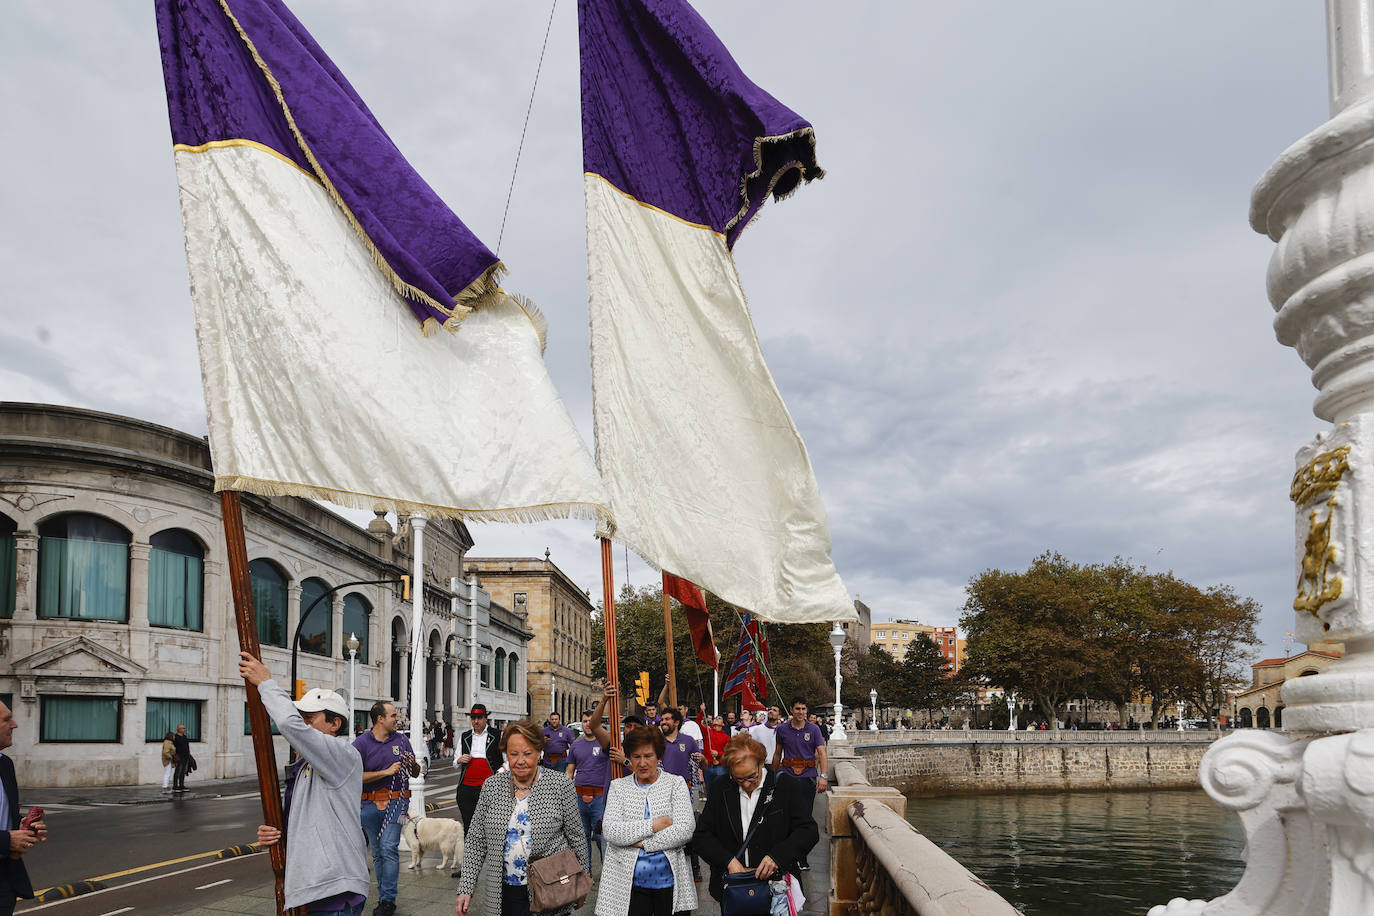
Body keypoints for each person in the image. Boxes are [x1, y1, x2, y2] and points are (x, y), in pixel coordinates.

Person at [239, 652, 369, 916]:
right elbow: (310, 820)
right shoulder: (306, 768)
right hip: (314, 889)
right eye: (302, 716)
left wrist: (266, 682)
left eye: (310, 718)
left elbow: (288, 724)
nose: (303, 723)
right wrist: (276, 832)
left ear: (335, 724)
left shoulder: (343, 754)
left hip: (335, 890)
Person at [456, 720, 588, 916]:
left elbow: (576, 837)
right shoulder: (492, 786)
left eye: (527, 754)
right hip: (503, 891)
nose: (520, 761)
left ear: (539, 752)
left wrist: (581, 882)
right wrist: (466, 888)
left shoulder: (560, 785)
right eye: (513, 754)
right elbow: (476, 840)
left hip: (551, 887)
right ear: (506, 754)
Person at [692, 733, 818, 910]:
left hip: (776, 887)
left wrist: (777, 857)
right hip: (734, 889)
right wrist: (728, 861)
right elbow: (702, 836)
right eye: (738, 778)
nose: (745, 784)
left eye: (752, 776)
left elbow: (808, 831)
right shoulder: (722, 787)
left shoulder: (784, 786)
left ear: (761, 763)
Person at [596, 725, 697, 916]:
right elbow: (611, 831)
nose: (642, 763)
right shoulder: (618, 787)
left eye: (648, 756)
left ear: (658, 756)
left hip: (671, 881)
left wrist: (642, 843)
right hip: (628, 884)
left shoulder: (675, 784)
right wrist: (655, 824)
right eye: (636, 756)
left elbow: (685, 829)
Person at [354, 700, 421, 916]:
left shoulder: (402, 740)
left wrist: (412, 764)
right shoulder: (361, 744)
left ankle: (388, 900)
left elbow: (416, 773)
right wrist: (385, 772)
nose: (397, 719)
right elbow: (354, 776)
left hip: (398, 805)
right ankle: (384, 896)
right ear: (380, 719)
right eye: (393, 715)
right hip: (368, 805)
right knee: (377, 851)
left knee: (389, 847)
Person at [1, 700, 45, 916]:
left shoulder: (5, 765)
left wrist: (25, 827)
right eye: (6, 719)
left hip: (5, 879)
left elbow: (6, 819)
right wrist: (8, 840)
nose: (15, 724)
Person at [567, 687, 615, 868]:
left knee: (603, 838)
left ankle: (608, 873)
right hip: (580, 797)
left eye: (590, 721)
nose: (588, 724)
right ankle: (585, 873)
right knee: (581, 838)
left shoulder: (604, 742)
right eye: (585, 721)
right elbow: (569, 772)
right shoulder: (576, 745)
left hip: (599, 798)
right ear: (581, 723)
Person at [658, 708, 703, 881]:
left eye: (667, 719)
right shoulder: (657, 741)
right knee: (666, 828)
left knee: (689, 828)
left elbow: (701, 763)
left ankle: (694, 865)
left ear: (676, 722)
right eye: (662, 719)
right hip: (662, 791)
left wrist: (703, 760)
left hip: (686, 791)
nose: (663, 722)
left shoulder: (688, 741)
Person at [455, 704, 504, 833]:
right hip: (466, 787)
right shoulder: (465, 736)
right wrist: (460, 759)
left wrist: (499, 772)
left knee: (489, 824)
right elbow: (455, 761)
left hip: (489, 787)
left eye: (479, 717)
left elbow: (508, 760)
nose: (476, 721)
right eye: (473, 718)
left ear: (485, 719)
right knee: (468, 824)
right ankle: (470, 851)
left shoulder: (497, 735)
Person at [700, 716, 729, 793]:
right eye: (715, 718)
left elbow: (728, 753)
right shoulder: (708, 732)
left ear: (723, 724)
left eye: (719, 718)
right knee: (709, 791)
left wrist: (718, 753)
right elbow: (699, 724)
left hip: (721, 767)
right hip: (708, 766)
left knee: (720, 791)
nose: (716, 719)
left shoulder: (726, 737)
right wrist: (701, 712)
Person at [171, 723, 195, 793]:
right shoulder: (175, 737)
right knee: (178, 771)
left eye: (184, 728)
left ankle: (182, 785)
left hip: (185, 756)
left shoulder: (185, 737)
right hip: (179, 757)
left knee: (183, 772)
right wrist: (175, 755)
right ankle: (175, 786)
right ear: (178, 729)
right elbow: (173, 748)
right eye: (183, 728)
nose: (184, 729)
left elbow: (187, 746)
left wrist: (189, 754)